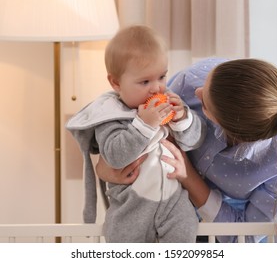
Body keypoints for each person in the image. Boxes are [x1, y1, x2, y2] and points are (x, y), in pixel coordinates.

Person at [96, 57, 277, 243]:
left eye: (204, 103)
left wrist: (188, 176)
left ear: (228, 129)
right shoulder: (190, 82)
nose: (196, 94)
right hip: (162, 212)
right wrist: (106, 167)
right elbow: (127, 127)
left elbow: (245, 236)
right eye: (204, 86)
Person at [66, 25, 206, 243]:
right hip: (131, 207)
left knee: (186, 233)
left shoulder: (169, 101)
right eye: (145, 81)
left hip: (173, 202)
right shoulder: (112, 115)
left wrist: (182, 119)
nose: (157, 89)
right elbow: (115, 157)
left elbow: (194, 141)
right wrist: (144, 125)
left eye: (162, 76)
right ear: (116, 82)